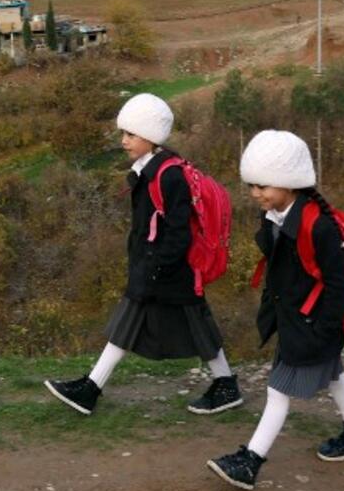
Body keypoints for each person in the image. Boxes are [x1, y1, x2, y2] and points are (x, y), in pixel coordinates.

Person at [44, 93, 242, 416]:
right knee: (136, 322)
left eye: (131, 134)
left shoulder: (169, 176)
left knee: (196, 324)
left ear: (150, 136)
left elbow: (178, 232)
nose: (123, 141)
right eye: (124, 133)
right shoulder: (151, 170)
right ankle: (90, 388)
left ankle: (225, 384)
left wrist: (155, 267)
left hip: (171, 270)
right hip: (157, 267)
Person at [208, 130, 344, 491]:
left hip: (312, 325)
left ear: (289, 182)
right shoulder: (276, 215)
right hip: (297, 320)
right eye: (251, 185)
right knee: (333, 375)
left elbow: (339, 285)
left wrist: (324, 331)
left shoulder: (320, 226)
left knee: (278, 391)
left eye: (262, 186)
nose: (255, 193)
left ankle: (250, 461)